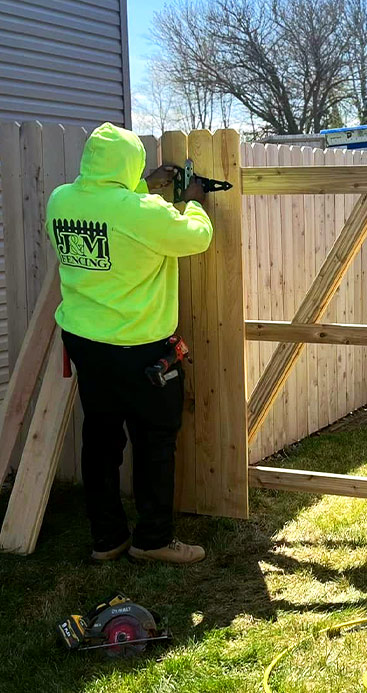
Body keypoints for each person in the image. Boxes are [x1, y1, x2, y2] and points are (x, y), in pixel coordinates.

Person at [46, 122, 213, 564]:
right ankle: (153, 540)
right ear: (130, 164)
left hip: (85, 343)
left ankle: (107, 539)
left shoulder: (61, 200)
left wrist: (143, 185)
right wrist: (194, 202)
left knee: (100, 440)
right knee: (155, 441)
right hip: (140, 349)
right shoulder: (141, 212)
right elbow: (197, 238)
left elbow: (111, 209)